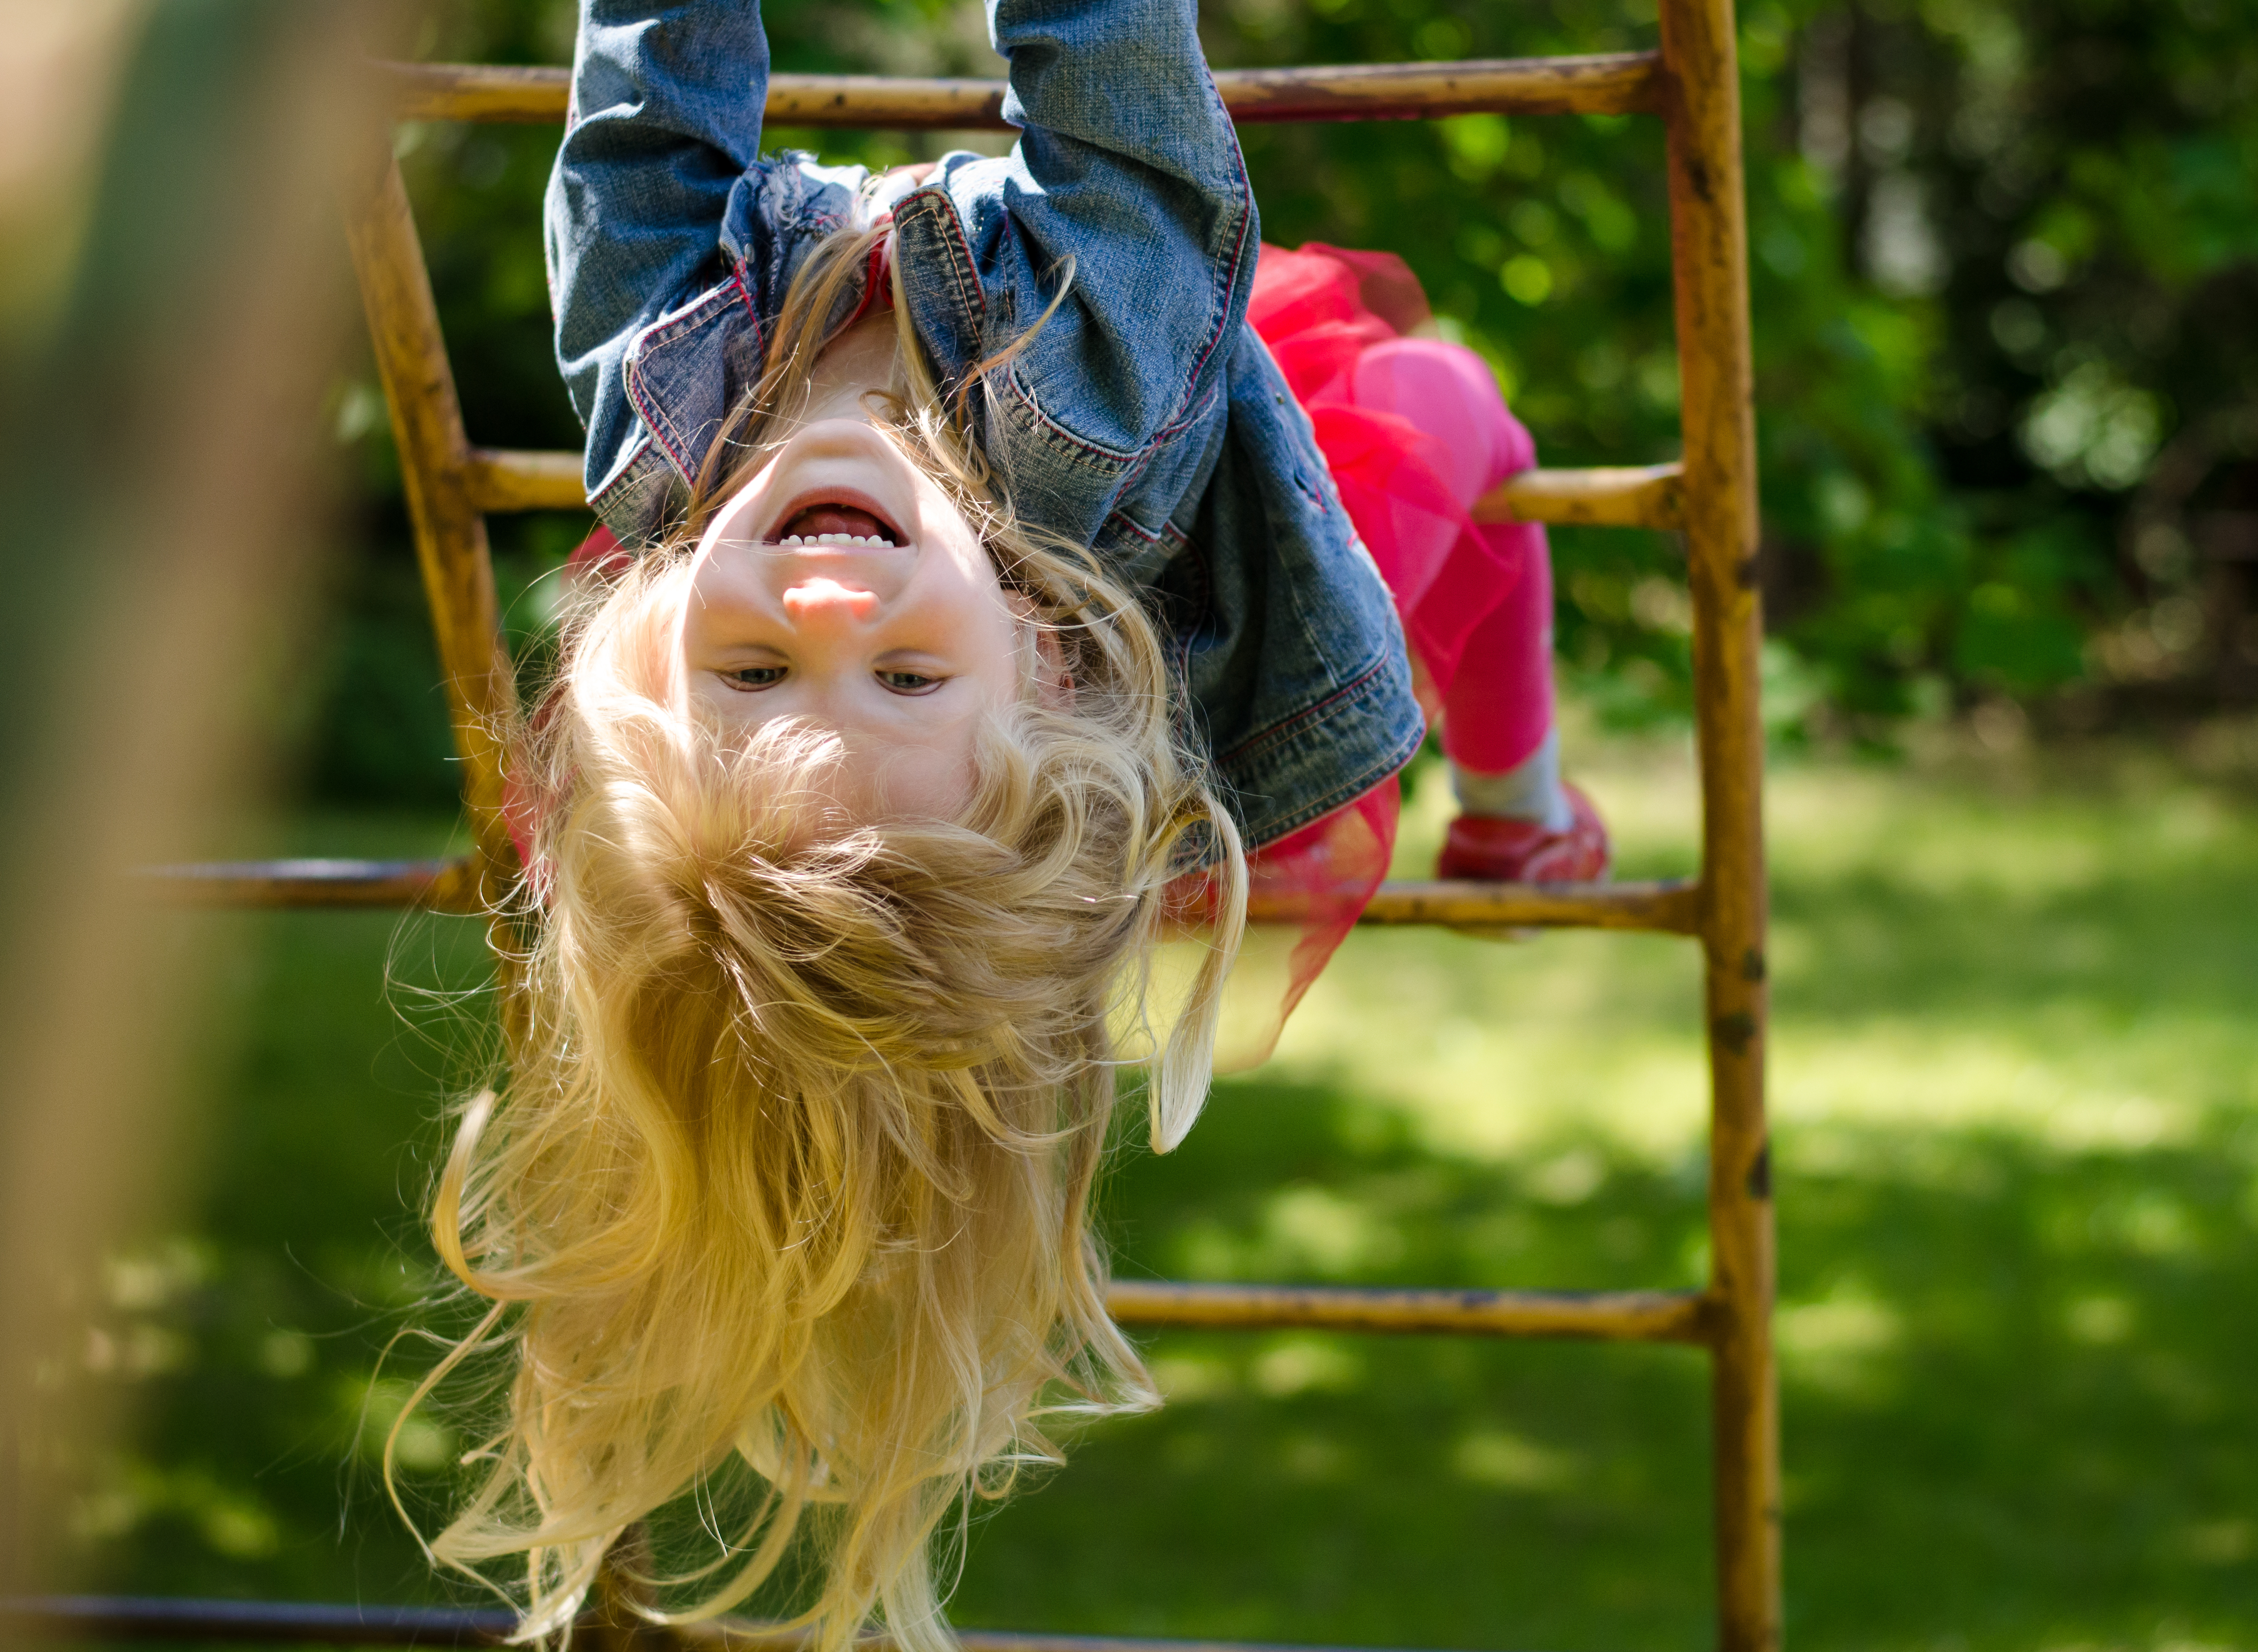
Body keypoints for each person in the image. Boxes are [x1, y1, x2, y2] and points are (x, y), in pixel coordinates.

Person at [406, 2, 1606, 1647]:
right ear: (1042, 662)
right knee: (1453, 416)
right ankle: (1523, 808)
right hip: (1210, 518)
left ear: (652, 630)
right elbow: (1118, 92)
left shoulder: (653, 404)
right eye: (897, 674)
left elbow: (645, 100)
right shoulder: (1097, 390)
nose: (826, 601)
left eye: (753, 668)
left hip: (1018, 644)